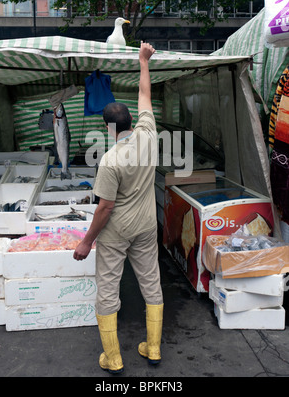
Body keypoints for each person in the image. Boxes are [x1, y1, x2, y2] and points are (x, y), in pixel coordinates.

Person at [73, 42, 164, 374]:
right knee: (151, 282)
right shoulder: (148, 135)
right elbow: (145, 96)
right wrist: (143, 61)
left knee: (108, 289)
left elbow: (104, 208)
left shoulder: (110, 160)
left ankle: (113, 357)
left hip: (116, 233)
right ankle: (152, 347)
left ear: (107, 128)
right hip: (145, 225)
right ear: (130, 121)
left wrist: (86, 241)